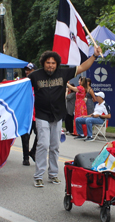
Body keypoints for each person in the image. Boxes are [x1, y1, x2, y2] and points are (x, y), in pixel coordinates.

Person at [28, 47, 102, 188]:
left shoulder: (63, 73)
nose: (50, 65)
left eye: (53, 63)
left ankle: (53, 174)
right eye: (48, 62)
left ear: (57, 64)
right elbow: (20, 88)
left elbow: (81, 67)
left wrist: (94, 56)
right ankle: (38, 176)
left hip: (57, 116)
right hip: (42, 115)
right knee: (43, 145)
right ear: (43, 63)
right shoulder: (34, 76)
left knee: (55, 146)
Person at [21, 63, 37, 166]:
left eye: (30, 70)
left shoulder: (39, 82)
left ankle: (33, 151)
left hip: (37, 114)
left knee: (41, 135)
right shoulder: (23, 83)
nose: (27, 72)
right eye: (26, 70)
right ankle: (25, 158)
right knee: (25, 137)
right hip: (25, 115)